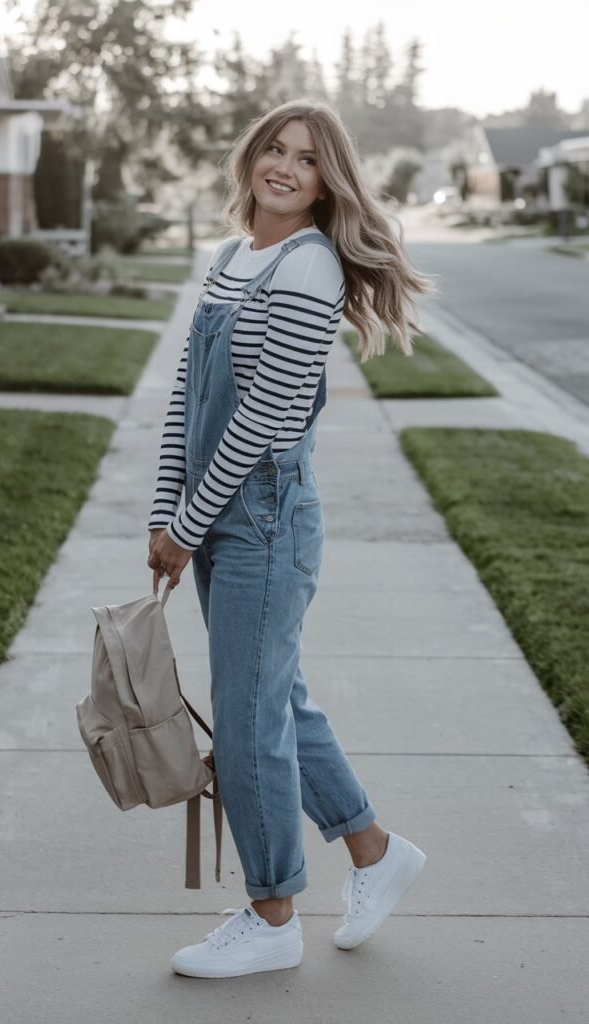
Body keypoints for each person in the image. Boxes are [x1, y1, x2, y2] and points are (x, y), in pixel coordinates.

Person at [146, 99, 437, 979]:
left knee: (247, 717)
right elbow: (187, 399)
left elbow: (268, 415)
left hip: (264, 518)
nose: (284, 165)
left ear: (325, 181)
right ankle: (377, 852)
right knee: (272, 699)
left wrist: (190, 525)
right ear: (252, 158)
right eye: (274, 148)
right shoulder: (233, 255)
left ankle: (273, 914)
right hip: (216, 512)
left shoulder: (309, 269)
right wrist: (166, 511)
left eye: (306, 159)